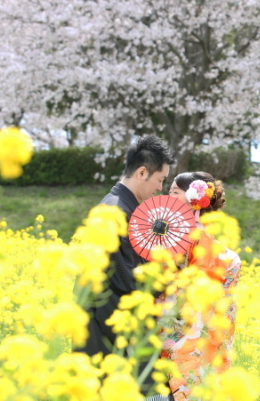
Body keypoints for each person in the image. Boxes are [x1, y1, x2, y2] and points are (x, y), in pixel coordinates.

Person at [75, 134, 176, 395]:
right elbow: (127, 282)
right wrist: (166, 278)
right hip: (111, 341)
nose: (160, 189)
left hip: (100, 334)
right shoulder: (120, 214)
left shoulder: (113, 207)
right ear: (142, 172)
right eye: (160, 180)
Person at [158, 171, 241, 401]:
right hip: (203, 355)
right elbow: (226, 320)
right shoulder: (230, 258)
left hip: (168, 351)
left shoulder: (165, 248)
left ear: (193, 201)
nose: (167, 196)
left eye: (174, 191)